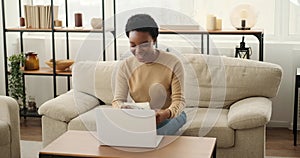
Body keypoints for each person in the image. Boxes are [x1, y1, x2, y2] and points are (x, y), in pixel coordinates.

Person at [112, 14, 186, 135]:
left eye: (144, 44)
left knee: (155, 134)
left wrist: (166, 113)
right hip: (142, 116)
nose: (138, 50)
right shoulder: (125, 66)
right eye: (132, 45)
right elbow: (117, 100)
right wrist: (122, 108)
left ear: (154, 40)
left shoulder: (173, 63)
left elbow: (179, 101)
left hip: (170, 115)